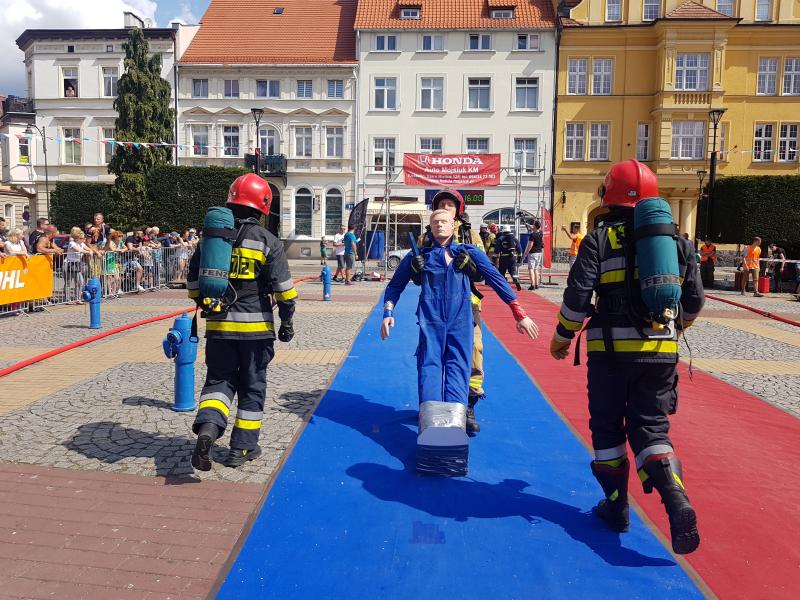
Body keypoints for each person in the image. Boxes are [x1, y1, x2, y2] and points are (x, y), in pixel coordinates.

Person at [549, 159, 704, 555]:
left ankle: (617, 508)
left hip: (610, 355)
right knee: (651, 428)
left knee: (607, 429)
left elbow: (578, 297)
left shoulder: (599, 239)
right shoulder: (676, 242)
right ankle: (675, 495)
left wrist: (563, 337)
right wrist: (677, 327)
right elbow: (695, 300)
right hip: (661, 352)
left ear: (607, 196)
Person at [381, 209, 538, 449]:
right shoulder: (419, 256)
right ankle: (431, 429)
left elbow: (496, 279)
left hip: (461, 321)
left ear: (453, 225)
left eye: (445, 221)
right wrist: (388, 313)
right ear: (430, 228)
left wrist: (519, 312)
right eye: (435, 222)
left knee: (458, 369)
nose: (440, 226)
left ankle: (454, 430)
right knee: (429, 368)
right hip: (430, 321)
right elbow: (394, 286)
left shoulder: (469, 253)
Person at [189, 173, 297, 470]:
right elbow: (284, 292)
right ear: (263, 205)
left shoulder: (211, 241)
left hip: (219, 329)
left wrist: (209, 304)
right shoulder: (268, 241)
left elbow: (193, 287)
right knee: (252, 387)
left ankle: (208, 430)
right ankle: (242, 449)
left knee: (218, 382)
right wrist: (287, 322)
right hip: (256, 332)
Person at [416, 190, 487, 434]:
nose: (446, 208)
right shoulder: (426, 238)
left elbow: (484, 272)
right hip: (435, 309)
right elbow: (418, 272)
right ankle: (432, 406)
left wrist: (472, 268)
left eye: (450, 205)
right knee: (430, 355)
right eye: (441, 204)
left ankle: (468, 403)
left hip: (468, 305)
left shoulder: (471, 236)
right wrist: (417, 271)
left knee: (473, 352)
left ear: (458, 211)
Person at [496, 225, 523, 291]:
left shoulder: (500, 239)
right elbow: (519, 249)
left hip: (503, 258)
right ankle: (516, 281)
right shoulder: (514, 238)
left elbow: (496, 250)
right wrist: (519, 259)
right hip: (512, 257)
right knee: (513, 270)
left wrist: (494, 259)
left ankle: (503, 286)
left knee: (502, 272)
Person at [522, 220, 544, 291]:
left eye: (533, 224)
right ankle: (537, 284)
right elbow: (535, 229)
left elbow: (530, 245)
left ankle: (532, 285)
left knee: (531, 269)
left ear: (535, 226)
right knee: (536, 269)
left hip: (533, 253)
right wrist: (528, 225)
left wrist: (525, 254)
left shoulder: (532, 235)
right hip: (539, 252)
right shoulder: (540, 233)